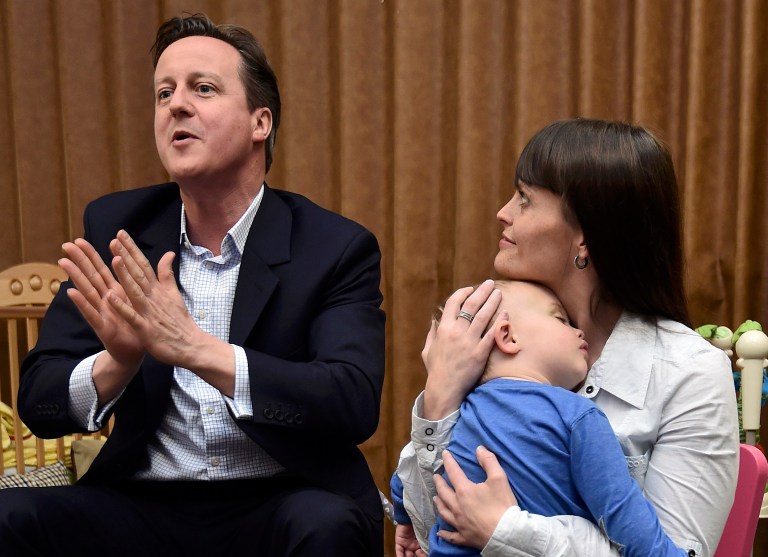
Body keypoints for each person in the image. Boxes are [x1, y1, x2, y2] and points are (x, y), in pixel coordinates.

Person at [0, 13, 385, 557]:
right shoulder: (120, 231)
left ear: (261, 122)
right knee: (9, 518)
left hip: (279, 500)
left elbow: (350, 400)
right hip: (142, 505)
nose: (176, 105)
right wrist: (119, 361)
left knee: (326, 527)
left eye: (202, 88)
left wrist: (197, 350)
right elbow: (40, 401)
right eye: (164, 93)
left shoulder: (334, 247)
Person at [394, 119, 738, 557]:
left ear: (585, 237)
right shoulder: (493, 342)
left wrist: (509, 530)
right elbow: (433, 536)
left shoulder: (691, 373)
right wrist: (439, 400)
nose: (503, 212)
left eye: (525, 198)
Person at [392, 280, 687, 557]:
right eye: (561, 320)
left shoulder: (458, 412)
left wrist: (403, 518)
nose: (578, 331)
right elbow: (623, 516)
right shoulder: (577, 415)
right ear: (508, 337)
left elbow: (407, 475)